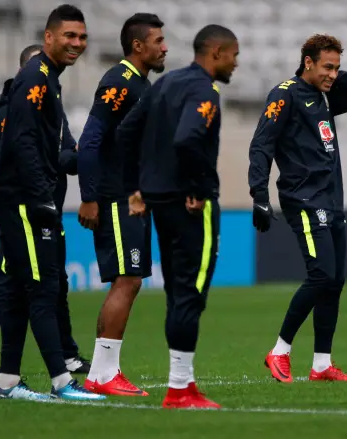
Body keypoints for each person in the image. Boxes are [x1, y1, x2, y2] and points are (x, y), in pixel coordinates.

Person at [116, 24, 238, 409]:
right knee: (190, 293)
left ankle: (180, 385)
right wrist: (200, 189)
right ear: (216, 52)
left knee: (177, 292)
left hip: (160, 202)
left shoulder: (166, 84)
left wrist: (138, 185)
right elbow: (188, 138)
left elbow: (126, 131)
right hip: (190, 204)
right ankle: (181, 389)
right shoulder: (204, 89)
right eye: (233, 54)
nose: (236, 62)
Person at [0, 4, 104, 402]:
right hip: (25, 201)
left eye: (82, 36)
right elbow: (20, 141)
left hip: (24, 199)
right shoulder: (36, 78)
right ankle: (61, 381)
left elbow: (50, 148)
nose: (77, 43)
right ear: (49, 37)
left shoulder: (48, 79)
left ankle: (8, 383)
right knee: (43, 287)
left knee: (25, 290)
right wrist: (42, 197)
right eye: (69, 36)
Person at [248, 34, 347, 383]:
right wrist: (259, 193)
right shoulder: (285, 93)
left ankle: (321, 364)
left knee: (334, 282)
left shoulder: (324, 95)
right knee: (320, 276)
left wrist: (334, 78)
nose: (333, 74)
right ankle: (279, 351)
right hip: (304, 199)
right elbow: (262, 145)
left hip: (332, 198)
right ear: (307, 62)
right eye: (327, 66)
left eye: (337, 68)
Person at [0, 44, 90, 378]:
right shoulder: (9, 113)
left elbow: (65, 155)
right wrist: (63, 156)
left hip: (50, 207)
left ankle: (66, 357)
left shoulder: (53, 108)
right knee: (9, 281)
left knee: (55, 282)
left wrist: (78, 155)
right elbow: (27, 154)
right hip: (23, 209)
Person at [77, 13, 167, 397]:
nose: (164, 48)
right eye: (158, 41)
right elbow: (90, 140)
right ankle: (102, 375)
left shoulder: (142, 85)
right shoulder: (119, 81)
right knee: (126, 280)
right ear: (137, 46)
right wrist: (89, 197)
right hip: (116, 198)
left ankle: (103, 373)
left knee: (131, 281)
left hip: (133, 199)